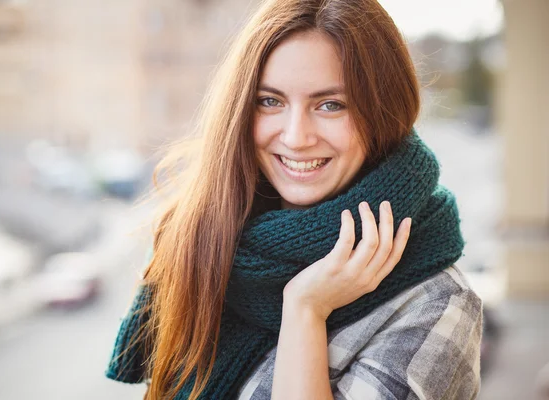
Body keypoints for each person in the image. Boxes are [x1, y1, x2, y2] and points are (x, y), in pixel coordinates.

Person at [105, 0, 483, 399]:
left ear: (384, 114)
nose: (296, 136)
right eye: (270, 101)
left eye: (331, 105)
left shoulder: (435, 304)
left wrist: (305, 309)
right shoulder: (204, 239)